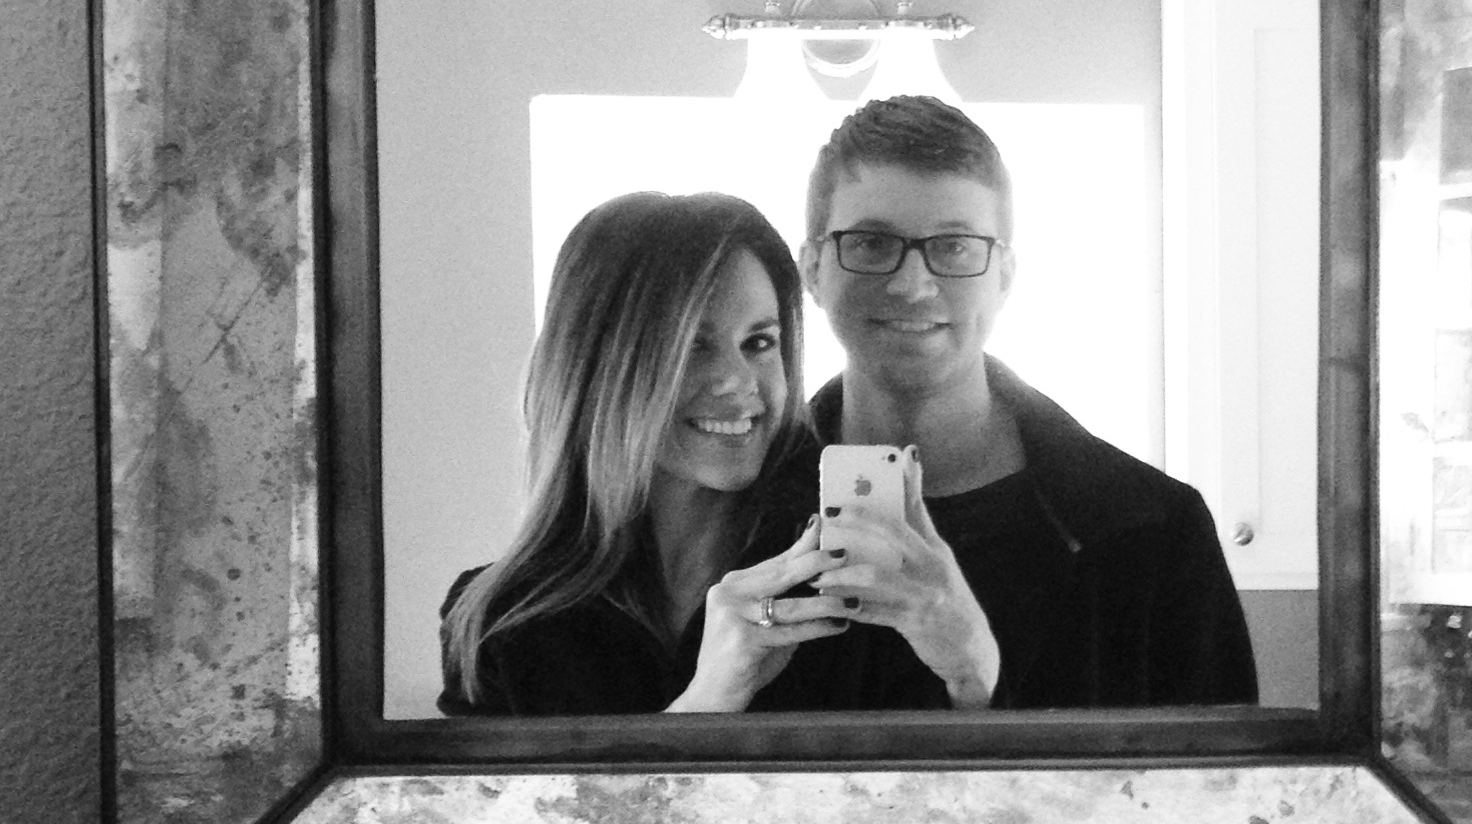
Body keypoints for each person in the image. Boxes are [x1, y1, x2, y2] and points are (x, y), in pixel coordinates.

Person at [800, 95, 1259, 709]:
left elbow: (1218, 772)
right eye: (871, 243)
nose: (912, 284)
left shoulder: (1155, 535)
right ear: (812, 268)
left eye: (956, 246)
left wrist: (976, 674)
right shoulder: (739, 518)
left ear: (1005, 275)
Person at [438, 191, 948, 715]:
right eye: (692, 346)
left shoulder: (857, 572)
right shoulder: (500, 621)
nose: (737, 381)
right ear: (600, 366)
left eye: (759, 343)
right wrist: (707, 704)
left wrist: (971, 670)